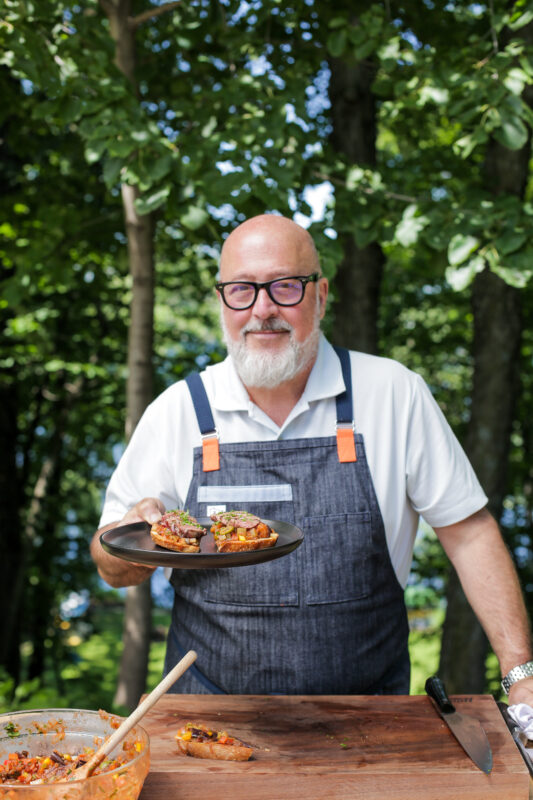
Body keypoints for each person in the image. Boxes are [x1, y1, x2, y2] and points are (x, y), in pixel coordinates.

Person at [91, 213, 533, 701]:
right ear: (222, 301)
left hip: (368, 722)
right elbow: (111, 565)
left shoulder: (392, 393)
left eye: (285, 287)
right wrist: (134, 535)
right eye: (242, 289)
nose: (262, 309)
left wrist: (523, 679)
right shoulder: (178, 410)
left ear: (320, 296)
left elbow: (469, 532)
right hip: (210, 727)